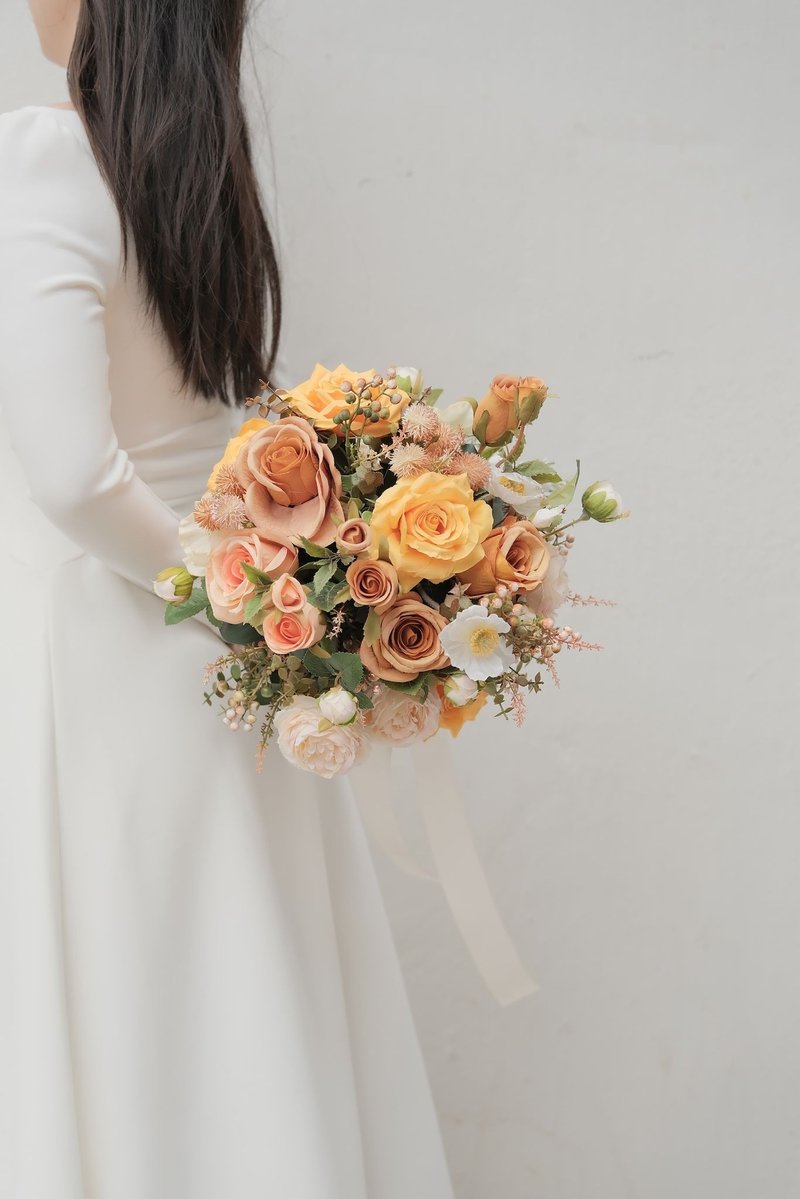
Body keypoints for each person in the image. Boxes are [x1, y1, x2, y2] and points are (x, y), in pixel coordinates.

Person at [0, 2, 456, 1196]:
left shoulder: (49, 159)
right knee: (243, 999)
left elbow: (72, 474)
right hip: (221, 684)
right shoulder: (205, 178)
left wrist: (233, 593)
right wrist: (259, 612)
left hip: (106, 656)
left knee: (131, 1008)